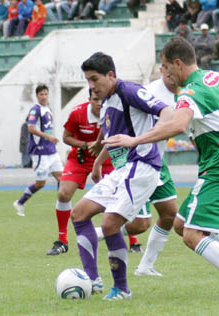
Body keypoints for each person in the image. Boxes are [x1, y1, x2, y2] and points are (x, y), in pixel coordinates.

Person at [103, 37, 219, 299]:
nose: (165, 74)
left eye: (167, 68)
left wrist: (135, 140)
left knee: (191, 234)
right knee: (181, 224)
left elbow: (177, 125)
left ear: (178, 64)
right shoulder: (215, 78)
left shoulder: (191, 91)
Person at [70, 52, 173, 300]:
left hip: (142, 166)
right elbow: (116, 137)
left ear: (111, 75)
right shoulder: (107, 102)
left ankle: (122, 289)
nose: (92, 86)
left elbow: (168, 112)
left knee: (110, 224)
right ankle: (92, 280)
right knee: (79, 213)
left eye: (95, 79)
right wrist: (98, 161)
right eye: (88, 80)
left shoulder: (130, 91)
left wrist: (140, 140)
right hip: (122, 170)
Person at [96, 66, 180, 277]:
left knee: (169, 214)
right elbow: (119, 133)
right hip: (137, 163)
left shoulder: (180, 91)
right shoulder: (145, 90)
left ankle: (145, 267)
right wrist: (99, 161)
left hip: (157, 162)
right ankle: (95, 234)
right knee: (141, 224)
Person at [46, 90, 114, 256]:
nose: (99, 103)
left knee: (118, 197)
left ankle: (132, 241)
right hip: (80, 158)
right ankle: (62, 241)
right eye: (96, 99)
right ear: (89, 99)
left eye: (102, 100)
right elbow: (66, 137)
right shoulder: (77, 113)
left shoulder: (113, 112)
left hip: (107, 158)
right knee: (63, 193)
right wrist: (84, 144)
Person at [13, 84, 63, 217]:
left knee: (61, 178)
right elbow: (31, 128)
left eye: (46, 94)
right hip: (40, 152)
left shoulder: (48, 109)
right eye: (41, 94)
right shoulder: (35, 110)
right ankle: (20, 202)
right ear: (37, 96)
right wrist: (49, 137)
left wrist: (51, 139)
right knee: (40, 183)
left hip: (51, 151)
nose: (44, 96)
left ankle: (61, 206)